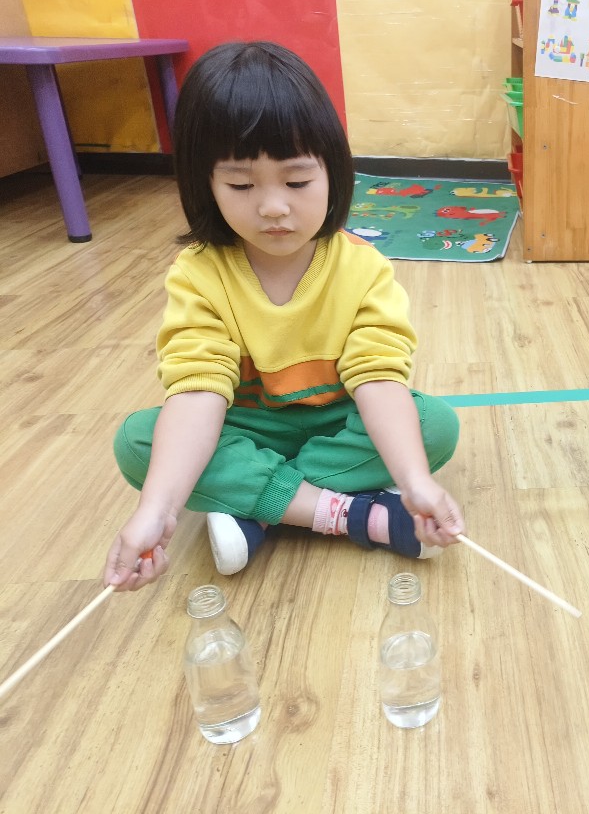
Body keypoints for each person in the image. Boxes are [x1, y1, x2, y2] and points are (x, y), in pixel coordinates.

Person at [103, 42, 463, 591]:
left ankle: (260, 507)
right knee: (138, 444)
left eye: (297, 182)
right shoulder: (198, 274)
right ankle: (349, 512)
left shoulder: (363, 268)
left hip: (337, 424)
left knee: (433, 426)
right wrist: (157, 511)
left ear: (334, 171)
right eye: (241, 185)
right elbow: (198, 392)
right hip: (246, 428)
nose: (273, 207)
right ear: (205, 184)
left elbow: (377, 379)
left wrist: (415, 481)